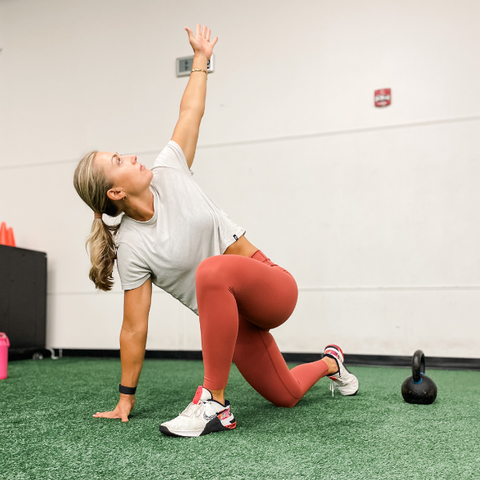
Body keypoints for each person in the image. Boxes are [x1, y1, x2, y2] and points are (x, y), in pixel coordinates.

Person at [73, 24, 359, 438]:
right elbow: (134, 327)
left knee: (211, 269)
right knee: (287, 395)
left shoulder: (169, 170)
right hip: (233, 327)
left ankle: (214, 401)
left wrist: (201, 58)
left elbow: (190, 113)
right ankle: (332, 362)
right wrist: (125, 398)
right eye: (118, 158)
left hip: (271, 289)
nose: (132, 155)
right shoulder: (132, 247)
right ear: (114, 190)